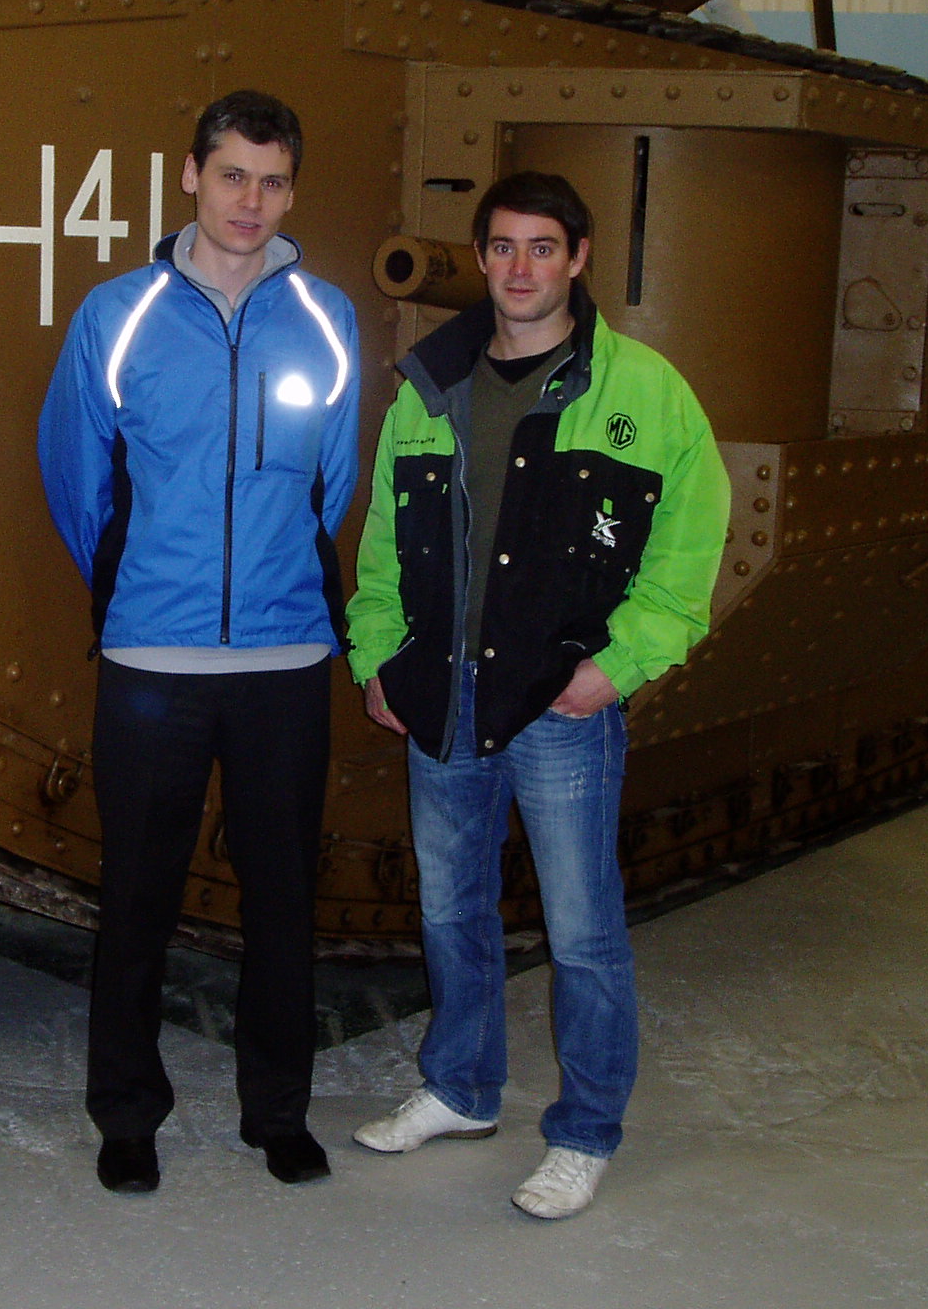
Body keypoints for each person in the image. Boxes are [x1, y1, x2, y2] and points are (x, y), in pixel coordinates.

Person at [345, 169, 729, 1219]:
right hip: (441, 697)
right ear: (480, 259)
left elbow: (689, 547)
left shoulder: (643, 392)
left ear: (578, 258)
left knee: (583, 932)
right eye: (503, 247)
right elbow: (383, 541)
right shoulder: (431, 386)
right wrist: (377, 656)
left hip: (560, 707)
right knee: (449, 912)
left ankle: (585, 1132)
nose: (521, 269)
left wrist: (617, 667)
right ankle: (461, 1090)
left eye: (542, 247)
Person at [38, 90, 360, 1195]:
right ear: (190, 177)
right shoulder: (116, 315)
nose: (249, 202)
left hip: (283, 660)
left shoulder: (326, 317)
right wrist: (137, 584)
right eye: (231, 176)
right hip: (153, 662)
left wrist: (276, 580)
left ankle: (278, 1114)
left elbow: (332, 484)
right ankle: (127, 1115)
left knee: (282, 901)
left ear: (291, 192)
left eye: (272, 182)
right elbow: (75, 472)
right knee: (135, 898)